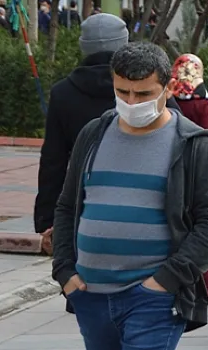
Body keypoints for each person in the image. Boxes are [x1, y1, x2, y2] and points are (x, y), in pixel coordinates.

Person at [52, 43, 208, 350]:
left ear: (167, 87)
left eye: (144, 94)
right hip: (90, 293)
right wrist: (66, 273)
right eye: (123, 92)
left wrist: (165, 281)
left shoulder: (191, 143)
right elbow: (68, 206)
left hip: (152, 296)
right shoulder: (94, 133)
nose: (131, 102)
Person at [35, 14, 134, 256]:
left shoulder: (63, 93)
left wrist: (47, 218)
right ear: (125, 44)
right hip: (139, 197)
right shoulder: (143, 88)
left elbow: (53, 160)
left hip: (83, 200)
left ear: (83, 46)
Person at [169, 53, 208, 297]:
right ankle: (205, 283)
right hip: (198, 167)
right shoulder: (202, 101)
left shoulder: (168, 99)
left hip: (172, 166)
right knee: (202, 223)